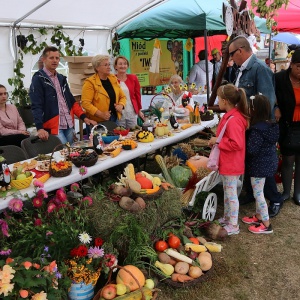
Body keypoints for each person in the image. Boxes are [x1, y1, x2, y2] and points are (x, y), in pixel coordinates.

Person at [229, 35, 283, 216]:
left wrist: (261, 129)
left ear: (240, 51)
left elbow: (266, 101)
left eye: (231, 54)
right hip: (246, 125)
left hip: (257, 127)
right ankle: (252, 194)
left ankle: (275, 198)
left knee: (261, 166)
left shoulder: (260, 69)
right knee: (250, 163)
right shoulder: (240, 69)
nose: (230, 58)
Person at [29, 46, 96, 144]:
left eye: (57, 58)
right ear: (43, 59)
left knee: (72, 154)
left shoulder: (61, 78)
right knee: (65, 152)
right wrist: (40, 128)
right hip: (54, 126)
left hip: (68, 124)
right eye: (51, 58)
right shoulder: (38, 79)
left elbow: (72, 102)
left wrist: (84, 118)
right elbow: (36, 105)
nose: (55, 61)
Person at [208, 84, 248, 236]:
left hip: (232, 163)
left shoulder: (233, 120)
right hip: (228, 162)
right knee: (227, 192)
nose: (217, 101)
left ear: (225, 101)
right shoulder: (232, 116)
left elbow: (236, 144)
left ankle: (233, 224)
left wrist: (218, 141)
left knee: (231, 195)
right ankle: (227, 217)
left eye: (218, 98)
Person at [242, 94, 278, 234]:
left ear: (254, 110)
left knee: (258, 194)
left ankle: (266, 224)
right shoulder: (271, 125)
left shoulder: (257, 130)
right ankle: (258, 216)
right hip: (269, 162)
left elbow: (252, 149)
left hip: (259, 166)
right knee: (260, 191)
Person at [275, 49, 300, 205]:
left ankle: (297, 193)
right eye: (298, 66)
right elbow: (270, 96)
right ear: (291, 65)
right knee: (288, 159)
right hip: (287, 125)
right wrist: (275, 107)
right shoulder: (280, 79)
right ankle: (285, 192)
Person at [81, 55, 126, 125]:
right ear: (97, 68)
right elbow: (85, 103)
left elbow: (122, 96)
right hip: (97, 121)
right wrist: (101, 114)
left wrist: (121, 105)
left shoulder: (113, 78)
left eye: (109, 64)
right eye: (105, 65)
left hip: (114, 118)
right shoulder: (90, 83)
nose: (109, 67)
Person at [114, 56, 144, 128]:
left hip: (131, 111)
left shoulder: (133, 78)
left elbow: (137, 95)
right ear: (115, 66)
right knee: (121, 134)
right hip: (119, 112)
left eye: (125, 64)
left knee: (133, 133)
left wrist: (139, 110)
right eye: (120, 64)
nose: (123, 66)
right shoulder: (112, 79)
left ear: (127, 66)